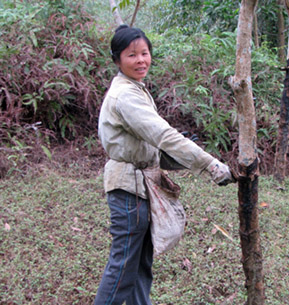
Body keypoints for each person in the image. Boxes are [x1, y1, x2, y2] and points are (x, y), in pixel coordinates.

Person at [94, 24, 234, 305]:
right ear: (117, 59)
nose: (141, 60)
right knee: (123, 269)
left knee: (139, 266)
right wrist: (210, 164)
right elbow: (163, 135)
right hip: (128, 190)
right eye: (132, 55)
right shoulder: (126, 96)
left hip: (140, 186)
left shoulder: (135, 89)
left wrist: (185, 159)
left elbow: (152, 146)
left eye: (144, 53)